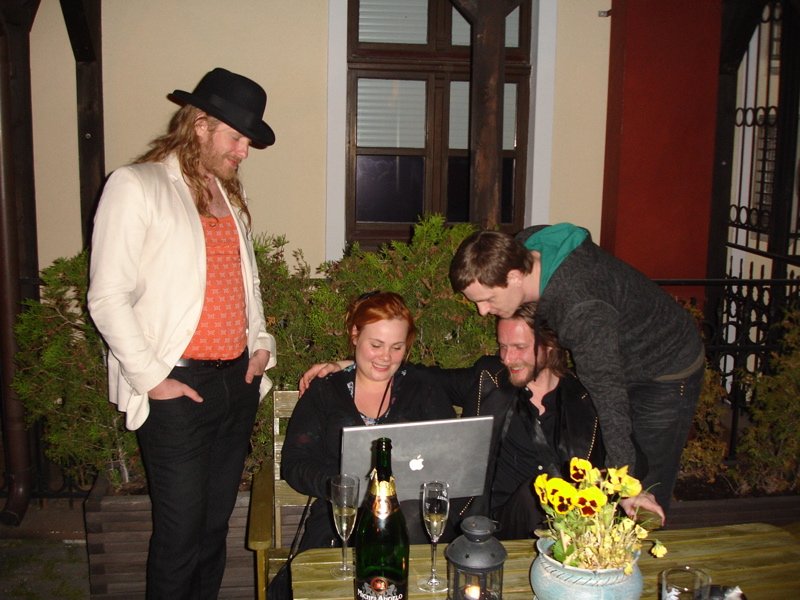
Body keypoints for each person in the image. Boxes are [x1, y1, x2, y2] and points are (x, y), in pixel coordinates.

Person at [87, 67, 277, 599]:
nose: (244, 151)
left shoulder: (229, 194)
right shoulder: (137, 185)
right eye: (236, 138)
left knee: (214, 530)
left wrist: (261, 344)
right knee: (179, 536)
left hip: (235, 384)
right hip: (175, 389)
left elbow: (246, 283)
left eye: (248, 141)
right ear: (200, 125)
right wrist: (153, 379)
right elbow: (106, 296)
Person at [301, 303, 665, 539]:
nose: (507, 358)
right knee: (536, 492)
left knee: (553, 492)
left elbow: (629, 457)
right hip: (487, 524)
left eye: (519, 348)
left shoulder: (588, 398)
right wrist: (346, 365)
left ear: (550, 346)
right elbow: (409, 371)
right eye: (502, 346)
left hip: (568, 530)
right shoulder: (488, 378)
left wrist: (634, 491)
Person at [448, 223, 705, 512]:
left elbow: (608, 394)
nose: (482, 311)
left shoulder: (580, 309)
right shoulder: (529, 245)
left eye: (488, 299)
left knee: (643, 489)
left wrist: (625, 483)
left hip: (664, 369)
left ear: (515, 276)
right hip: (617, 350)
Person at [281, 291, 456, 550]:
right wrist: (345, 488)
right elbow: (294, 463)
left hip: (412, 521)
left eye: (397, 347)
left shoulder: (422, 389)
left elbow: (452, 457)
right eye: (376, 345)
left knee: (408, 522)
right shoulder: (326, 390)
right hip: (342, 518)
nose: (386, 357)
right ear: (355, 335)